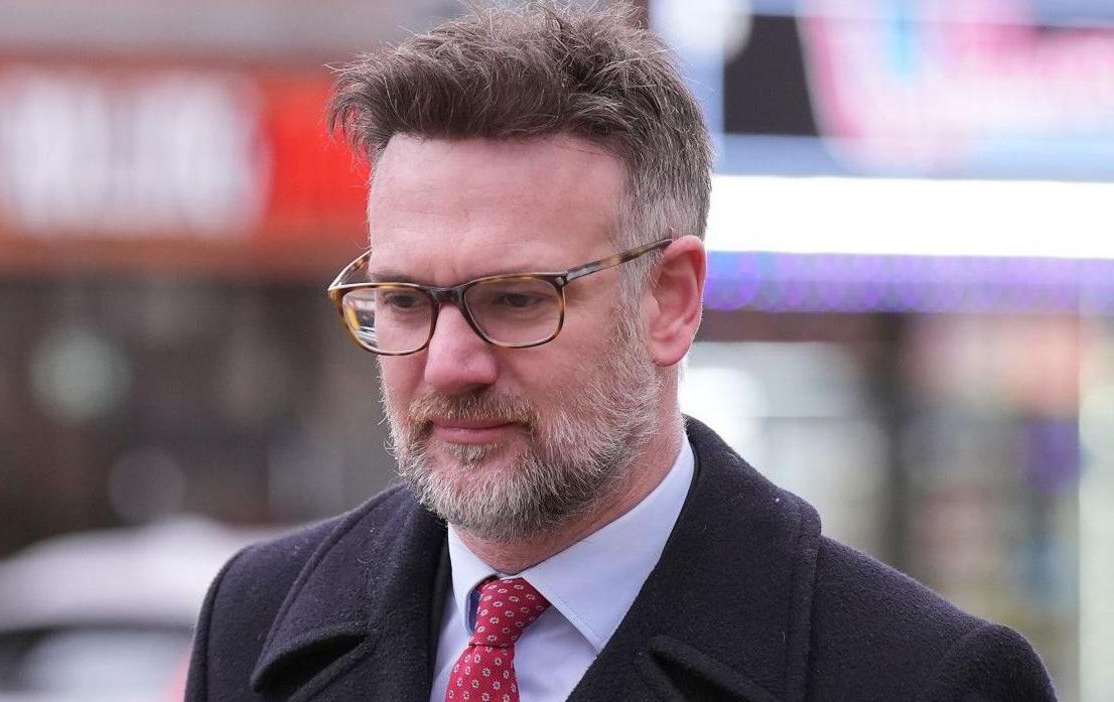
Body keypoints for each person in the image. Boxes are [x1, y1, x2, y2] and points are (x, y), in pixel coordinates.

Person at [185, 3, 1055, 701]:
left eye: (517, 299)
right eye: (406, 301)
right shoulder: (256, 620)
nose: (450, 364)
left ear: (669, 301)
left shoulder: (926, 677)